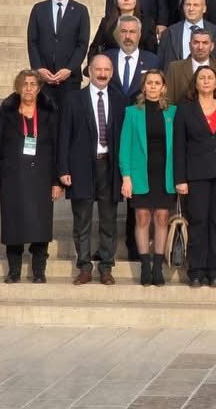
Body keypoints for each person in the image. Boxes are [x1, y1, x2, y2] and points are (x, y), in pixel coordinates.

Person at [0, 70, 61, 283]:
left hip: (41, 179)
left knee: (40, 225)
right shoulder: (6, 112)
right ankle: (14, 271)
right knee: (13, 226)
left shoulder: (49, 111)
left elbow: (57, 148)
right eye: (24, 84)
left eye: (33, 84)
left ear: (39, 88)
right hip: (12, 179)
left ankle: (38, 271)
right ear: (18, 87)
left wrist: (56, 181)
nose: (28, 88)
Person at [57, 55, 127, 285]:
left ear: (112, 72)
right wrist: (63, 168)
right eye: (98, 69)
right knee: (82, 221)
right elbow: (64, 135)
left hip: (109, 165)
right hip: (81, 166)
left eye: (107, 69)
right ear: (89, 70)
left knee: (108, 220)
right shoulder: (73, 98)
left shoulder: (120, 99)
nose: (103, 73)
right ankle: (85, 267)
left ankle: (106, 267)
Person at [174, 64, 216, 287]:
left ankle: (215, 270)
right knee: (199, 220)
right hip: (197, 173)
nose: (207, 81)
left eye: (211, 77)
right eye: (202, 77)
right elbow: (179, 145)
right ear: (196, 83)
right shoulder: (185, 109)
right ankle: (196, 270)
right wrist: (180, 179)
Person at [119, 70, 177, 286]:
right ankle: (145, 264)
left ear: (164, 87)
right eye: (149, 83)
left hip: (165, 174)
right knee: (142, 218)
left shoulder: (173, 112)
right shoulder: (132, 112)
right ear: (143, 87)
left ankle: (158, 265)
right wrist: (126, 176)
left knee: (162, 218)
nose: (153, 86)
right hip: (139, 174)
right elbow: (125, 147)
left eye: (157, 83)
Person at [26, 0, 91, 107]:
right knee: (46, 121)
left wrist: (69, 69)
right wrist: (39, 69)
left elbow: (82, 44)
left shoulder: (81, 11)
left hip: (70, 79)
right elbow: (32, 42)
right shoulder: (39, 9)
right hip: (44, 77)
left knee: (68, 121)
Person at [165, 28, 216, 107]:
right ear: (190, 45)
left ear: (212, 46)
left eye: (205, 43)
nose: (200, 47)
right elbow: (168, 101)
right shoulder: (175, 68)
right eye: (196, 42)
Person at [90, 0, 157, 57]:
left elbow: (152, 49)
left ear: (136, 0)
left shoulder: (147, 23)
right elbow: (95, 47)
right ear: (116, 1)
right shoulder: (106, 22)